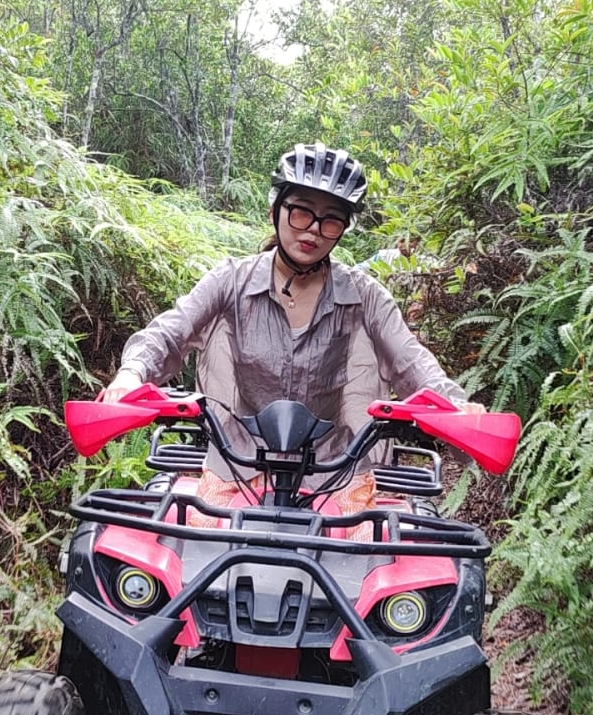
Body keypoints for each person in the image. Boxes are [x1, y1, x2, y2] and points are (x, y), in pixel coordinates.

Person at [100, 142, 483, 513]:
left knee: (365, 566)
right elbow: (169, 333)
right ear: (275, 211)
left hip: (336, 471)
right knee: (196, 559)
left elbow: (411, 362)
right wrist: (131, 376)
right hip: (237, 465)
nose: (313, 230)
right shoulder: (230, 281)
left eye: (331, 220)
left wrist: (456, 406)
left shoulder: (365, 296)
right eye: (301, 212)